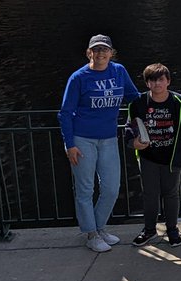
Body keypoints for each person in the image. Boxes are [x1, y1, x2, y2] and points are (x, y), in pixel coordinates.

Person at [58, 34, 140, 252]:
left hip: (109, 138)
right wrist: (69, 144)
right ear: (89, 53)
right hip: (82, 139)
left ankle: (100, 227)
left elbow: (134, 97)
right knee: (85, 189)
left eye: (105, 50)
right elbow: (65, 113)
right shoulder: (79, 77)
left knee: (112, 187)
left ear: (111, 53)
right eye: (96, 50)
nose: (101, 53)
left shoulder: (119, 71)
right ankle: (91, 233)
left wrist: (164, 98)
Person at [128, 63, 181, 248]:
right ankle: (149, 230)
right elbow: (130, 128)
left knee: (171, 194)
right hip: (148, 157)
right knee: (150, 194)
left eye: (161, 80)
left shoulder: (179, 102)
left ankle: (172, 229)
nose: (157, 84)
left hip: (172, 158)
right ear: (147, 83)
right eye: (152, 80)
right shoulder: (138, 103)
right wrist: (133, 143)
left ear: (168, 81)